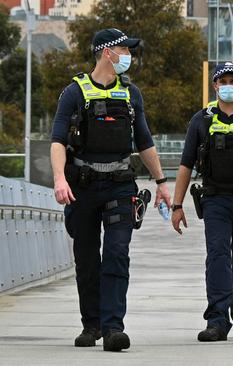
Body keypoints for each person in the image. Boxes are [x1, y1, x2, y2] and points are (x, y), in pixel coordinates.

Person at [50, 28, 171, 352]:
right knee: (87, 259)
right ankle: (91, 325)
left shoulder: (131, 95)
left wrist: (161, 183)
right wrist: (60, 179)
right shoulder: (74, 92)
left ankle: (113, 326)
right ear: (107, 52)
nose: (128, 55)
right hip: (82, 188)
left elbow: (144, 142)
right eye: (124, 49)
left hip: (120, 185)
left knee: (117, 253)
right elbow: (58, 140)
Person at [171, 62, 233, 342]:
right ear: (214, 86)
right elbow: (186, 164)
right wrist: (177, 205)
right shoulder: (202, 120)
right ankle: (217, 320)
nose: (228, 86)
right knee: (218, 257)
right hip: (215, 199)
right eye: (223, 81)